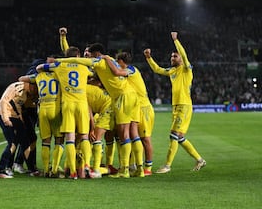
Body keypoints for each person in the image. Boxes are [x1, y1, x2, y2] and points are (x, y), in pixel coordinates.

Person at [54, 43, 141, 178]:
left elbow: (77, 60)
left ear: (95, 54)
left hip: (119, 98)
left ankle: (110, 169)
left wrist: (60, 61)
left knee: (110, 135)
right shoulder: (110, 60)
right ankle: (134, 166)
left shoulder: (99, 61)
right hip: (129, 95)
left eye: (90, 54)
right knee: (127, 134)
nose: (88, 56)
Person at [143, 32, 206, 173]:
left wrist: (176, 40)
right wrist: (148, 58)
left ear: (181, 59)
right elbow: (157, 69)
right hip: (176, 106)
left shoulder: (186, 69)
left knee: (173, 134)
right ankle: (200, 160)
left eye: (175, 56)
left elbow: (184, 55)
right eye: (171, 56)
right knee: (180, 137)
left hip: (184, 105)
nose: (172, 58)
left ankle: (167, 165)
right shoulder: (172, 71)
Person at [37, 47, 92, 179]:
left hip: (67, 105)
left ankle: (72, 172)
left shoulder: (59, 66)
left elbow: (39, 67)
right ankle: (87, 166)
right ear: (77, 55)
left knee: (70, 139)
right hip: (82, 104)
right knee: (84, 136)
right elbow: (94, 75)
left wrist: (54, 63)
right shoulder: (84, 67)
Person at [103, 51, 155, 176]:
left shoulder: (131, 70)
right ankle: (135, 167)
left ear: (121, 61)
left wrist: (106, 58)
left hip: (144, 108)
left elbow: (116, 72)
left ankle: (147, 167)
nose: (116, 64)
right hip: (135, 105)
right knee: (133, 135)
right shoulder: (128, 73)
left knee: (145, 139)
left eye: (117, 61)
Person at [19, 57, 64, 178]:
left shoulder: (38, 76)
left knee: (46, 141)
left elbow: (21, 78)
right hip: (55, 109)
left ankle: (45, 169)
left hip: (43, 110)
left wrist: (36, 74)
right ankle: (54, 169)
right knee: (59, 140)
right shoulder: (59, 74)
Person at [0, 81, 36, 178]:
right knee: (12, 143)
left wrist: (20, 119)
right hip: (6, 116)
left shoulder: (26, 92)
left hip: (16, 117)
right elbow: (3, 101)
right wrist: (6, 118)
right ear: (32, 86)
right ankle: (1, 170)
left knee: (26, 142)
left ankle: (32, 169)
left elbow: (17, 106)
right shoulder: (17, 87)